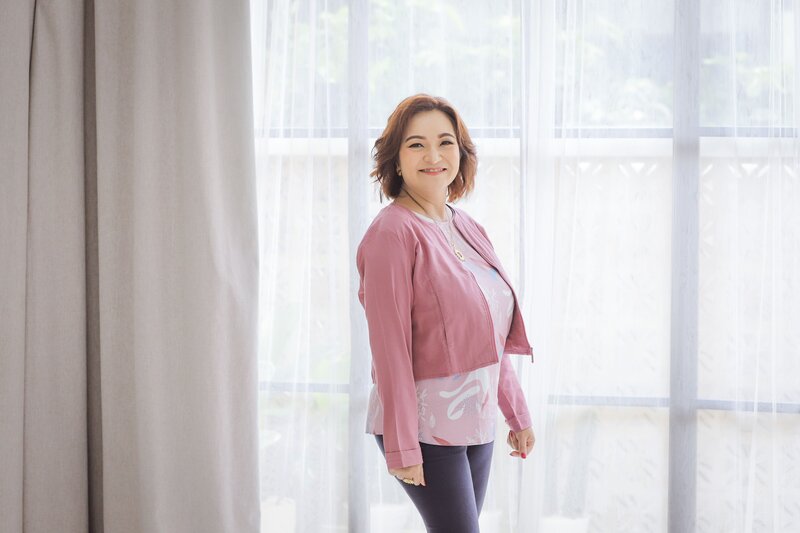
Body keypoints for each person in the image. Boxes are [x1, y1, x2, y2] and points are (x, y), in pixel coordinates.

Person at [356, 94, 535, 532]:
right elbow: (389, 349)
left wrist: (517, 413)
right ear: (396, 159)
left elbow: (489, 335)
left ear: (461, 151)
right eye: (416, 144)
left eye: (445, 142)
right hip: (423, 427)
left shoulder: (467, 226)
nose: (433, 156)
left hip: (477, 422)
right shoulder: (391, 234)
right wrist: (402, 447)